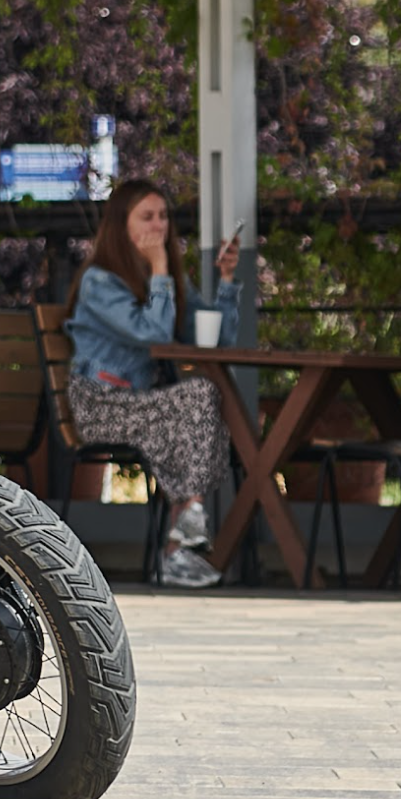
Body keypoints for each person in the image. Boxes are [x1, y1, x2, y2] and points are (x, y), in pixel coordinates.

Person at [63, 179, 241, 589]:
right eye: (147, 217)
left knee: (197, 403)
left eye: (163, 216)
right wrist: (161, 270)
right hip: (101, 405)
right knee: (197, 399)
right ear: (121, 225)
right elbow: (154, 335)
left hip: (144, 406)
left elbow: (216, 340)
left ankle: (180, 537)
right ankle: (183, 531)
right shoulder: (100, 281)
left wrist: (228, 282)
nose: (158, 225)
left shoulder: (167, 280)